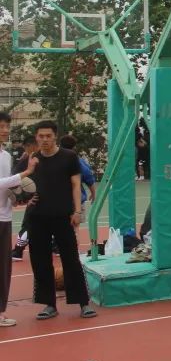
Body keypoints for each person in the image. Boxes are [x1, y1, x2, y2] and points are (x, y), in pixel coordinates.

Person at [26, 120, 96, 319]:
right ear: (36, 137)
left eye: (48, 136)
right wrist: (25, 198)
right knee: (40, 261)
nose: (45, 140)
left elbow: (76, 185)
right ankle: (49, 304)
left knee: (71, 259)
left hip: (63, 216)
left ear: (55, 136)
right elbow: (21, 182)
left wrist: (77, 211)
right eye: (41, 136)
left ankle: (83, 302)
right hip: (37, 217)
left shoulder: (69, 157)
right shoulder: (33, 159)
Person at [0, 112, 22, 326]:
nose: (5, 130)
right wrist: (24, 174)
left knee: (3, 267)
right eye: (1, 126)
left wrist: (15, 197)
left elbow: (6, 186)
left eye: (7, 126)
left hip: (4, 217)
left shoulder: (6, 156)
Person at [10, 135, 38, 261]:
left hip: (37, 199)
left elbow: (14, 175)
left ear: (30, 146)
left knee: (28, 225)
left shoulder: (29, 159)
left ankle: (18, 251)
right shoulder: (47, 157)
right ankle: (56, 247)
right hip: (48, 198)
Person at [59, 135, 96, 206]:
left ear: (60, 146)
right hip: (76, 202)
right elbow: (89, 178)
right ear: (74, 147)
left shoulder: (54, 160)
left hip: (59, 202)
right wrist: (93, 193)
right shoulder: (79, 162)